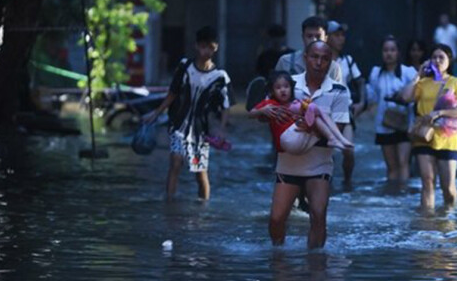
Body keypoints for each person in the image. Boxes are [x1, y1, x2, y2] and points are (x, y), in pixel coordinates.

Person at [268, 40, 350, 249]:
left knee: (318, 213)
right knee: (277, 218)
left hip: (319, 164)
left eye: (324, 59)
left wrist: (312, 129)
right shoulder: (288, 84)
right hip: (288, 163)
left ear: (330, 62)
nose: (318, 62)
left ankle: (315, 265)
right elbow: (268, 110)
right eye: (314, 57)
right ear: (305, 58)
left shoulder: (339, 90)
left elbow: (337, 130)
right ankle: (278, 258)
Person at [145, 26, 233, 201]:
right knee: (175, 163)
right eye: (202, 46)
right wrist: (156, 113)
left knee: (200, 173)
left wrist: (222, 129)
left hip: (201, 132)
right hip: (178, 124)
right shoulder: (185, 66)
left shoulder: (220, 76)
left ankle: (203, 208)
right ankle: (169, 202)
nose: (205, 51)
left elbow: (226, 105)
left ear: (215, 47)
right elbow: (173, 93)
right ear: (196, 46)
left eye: (209, 47)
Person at [400, 44, 457, 209]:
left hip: (448, 139)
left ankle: (449, 219)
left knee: (448, 187)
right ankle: (427, 222)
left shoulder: (456, 82)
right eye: (434, 57)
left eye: (441, 57)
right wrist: (418, 74)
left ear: (449, 61)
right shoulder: (423, 83)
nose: (437, 61)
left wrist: (439, 113)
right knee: (427, 182)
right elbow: (405, 97)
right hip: (423, 136)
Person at [249, 71, 354, 152]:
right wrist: (262, 110)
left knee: (314, 115)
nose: (283, 90)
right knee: (316, 111)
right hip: (286, 141)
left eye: (286, 86)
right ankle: (335, 138)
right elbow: (250, 114)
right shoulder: (270, 104)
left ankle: (335, 138)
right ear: (272, 91)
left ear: (291, 88)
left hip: (299, 145)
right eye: (278, 87)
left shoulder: (293, 103)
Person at [366, 36, 417, 182]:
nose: (389, 53)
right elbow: (373, 98)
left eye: (392, 50)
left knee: (403, 163)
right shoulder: (376, 73)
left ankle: (402, 197)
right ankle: (391, 199)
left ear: (398, 53)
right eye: (386, 50)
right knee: (391, 166)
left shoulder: (408, 72)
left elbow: (416, 96)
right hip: (384, 125)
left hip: (404, 124)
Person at [327, 20, 364, 185]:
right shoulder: (320, 59)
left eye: (342, 35)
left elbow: (360, 81)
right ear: (327, 37)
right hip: (324, 110)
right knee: (326, 152)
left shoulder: (347, 60)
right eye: (336, 35)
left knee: (348, 150)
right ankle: (326, 182)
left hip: (345, 109)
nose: (341, 39)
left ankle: (347, 181)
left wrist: (362, 102)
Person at [275, 16, 342, 82]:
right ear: (303, 37)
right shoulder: (286, 62)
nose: (313, 40)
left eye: (318, 36)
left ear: (326, 38)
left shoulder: (333, 68)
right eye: (309, 36)